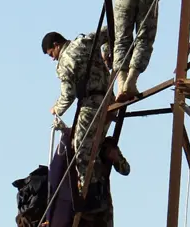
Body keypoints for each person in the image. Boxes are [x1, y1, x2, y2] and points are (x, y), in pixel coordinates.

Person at [42, 29, 127, 190]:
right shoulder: (84, 42)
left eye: (50, 53)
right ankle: (111, 153)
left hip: (91, 104)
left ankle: (88, 188)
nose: (52, 58)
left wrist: (57, 109)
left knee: (79, 147)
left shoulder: (65, 61)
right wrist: (108, 53)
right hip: (110, 100)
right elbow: (110, 30)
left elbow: (68, 94)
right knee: (94, 140)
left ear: (56, 45)